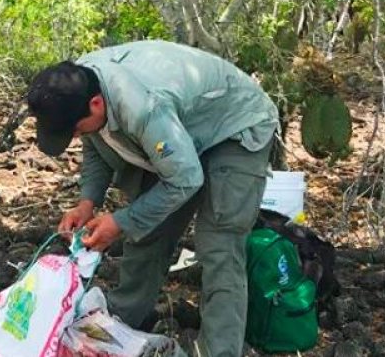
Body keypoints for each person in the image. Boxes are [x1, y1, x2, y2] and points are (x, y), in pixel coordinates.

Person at [25, 40, 278, 357]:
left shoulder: (142, 107)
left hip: (235, 127)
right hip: (179, 136)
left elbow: (185, 179)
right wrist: (87, 201)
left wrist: (120, 221)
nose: (75, 136)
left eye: (74, 130)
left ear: (96, 105)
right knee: (150, 229)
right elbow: (96, 145)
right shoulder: (76, 83)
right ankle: (120, 325)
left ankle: (220, 350)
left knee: (219, 245)